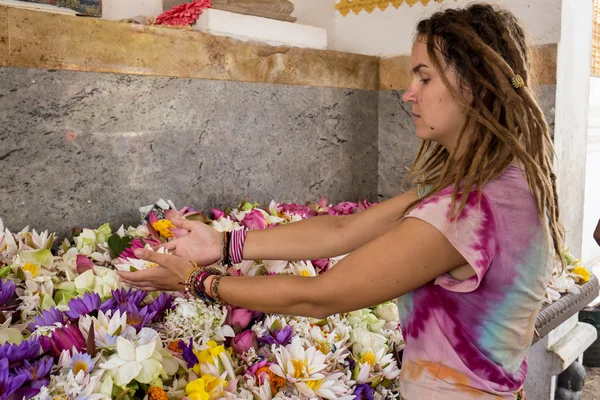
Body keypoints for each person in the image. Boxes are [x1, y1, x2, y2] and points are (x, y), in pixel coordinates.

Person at [118, 4, 564, 399]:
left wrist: (199, 283)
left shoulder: (467, 209)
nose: (408, 93)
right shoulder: (499, 179)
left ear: (476, 85)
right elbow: (343, 231)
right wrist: (225, 243)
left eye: (424, 77)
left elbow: (318, 297)